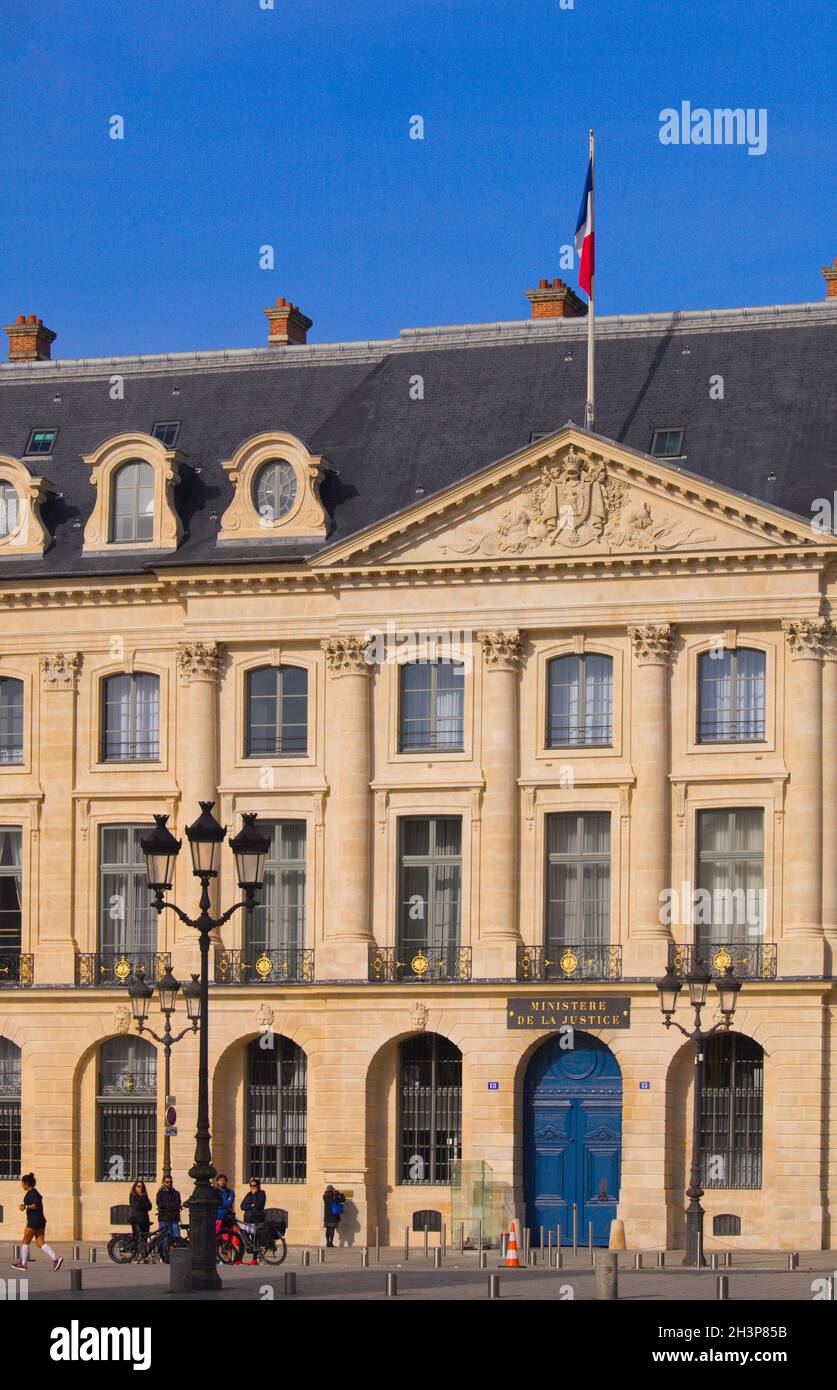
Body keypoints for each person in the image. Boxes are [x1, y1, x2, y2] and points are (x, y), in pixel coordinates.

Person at [11, 1174, 63, 1272]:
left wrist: (25, 1207)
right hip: (40, 1220)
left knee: (25, 1240)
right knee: (40, 1243)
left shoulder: (32, 1193)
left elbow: (36, 1205)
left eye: (22, 1183)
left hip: (34, 1221)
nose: (21, 1185)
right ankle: (56, 1259)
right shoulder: (34, 1192)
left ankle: (23, 1264)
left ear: (26, 1183)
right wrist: (25, 1206)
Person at [240, 1177, 266, 1265]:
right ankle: (243, 1253)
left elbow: (259, 1205)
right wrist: (251, 1206)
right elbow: (242, 1206)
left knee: (255, 1239)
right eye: (251, 1185)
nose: (252, 1187)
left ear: (258, 1186)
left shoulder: (261, 1194)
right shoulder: (248, 1194)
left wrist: (254, 1195)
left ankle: (254, 1259)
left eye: (254, 1185)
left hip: (256, 1220)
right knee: (241, 1232)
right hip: (248, 1219)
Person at [155, 1174, 182, 1249]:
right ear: (163, 1182)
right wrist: (171, 1205)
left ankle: (176, 1254)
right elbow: (160, 1204)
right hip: (164, 1218)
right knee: (164, 1238)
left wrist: (167, 1206)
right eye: (167, 1182)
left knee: (176, 1236)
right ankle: (164, 1255)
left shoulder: (176, 1193)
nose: (169, 1184)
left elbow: (177, 1204)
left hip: (174, 1218)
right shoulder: (160, 1193)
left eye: (170, 1182)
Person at [129, 1180, 152, 1252]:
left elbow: (150, 1206)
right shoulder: (133, 1195)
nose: (140, 1188)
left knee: (145, 1237)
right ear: (135, 1187)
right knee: (136, 1236)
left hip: (145, 1219)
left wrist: (142, 1205)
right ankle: (134, 1253)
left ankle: (143, 1253)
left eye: (142, 1187)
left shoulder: (145, 1196)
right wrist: (144, 1205)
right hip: (136, 1219)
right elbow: (136, 1206)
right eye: (138, 1186)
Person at [323, 1183, 345, 1248]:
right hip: (333, 1215)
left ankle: (327, 1242)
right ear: (332, 1190)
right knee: (332, 1229)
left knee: (327, 1229)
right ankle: (331, 1243)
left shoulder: (324, 1197)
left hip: (327, 1215)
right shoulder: (334, 1197)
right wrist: (340, 1194)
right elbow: (343, 1200)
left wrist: (335, 1194)